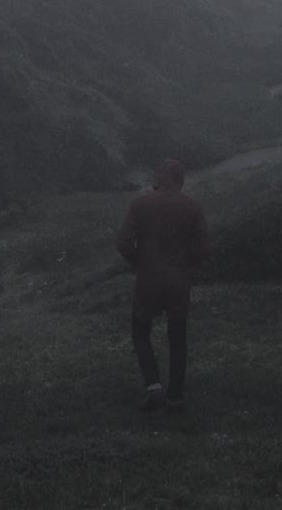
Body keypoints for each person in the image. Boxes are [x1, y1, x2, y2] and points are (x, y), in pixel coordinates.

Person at [116, 159, 210, 412]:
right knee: (177, 336)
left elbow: (123, 243)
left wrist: (141, 263)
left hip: (148, 280)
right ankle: (175, 397)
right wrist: (184, 265)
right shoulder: (193, 206)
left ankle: (153, 387)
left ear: (159, 179)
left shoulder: (140, 204)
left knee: (140, 330)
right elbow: (203, 248)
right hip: (179, 280)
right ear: (181, 180)